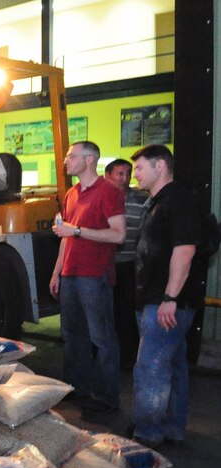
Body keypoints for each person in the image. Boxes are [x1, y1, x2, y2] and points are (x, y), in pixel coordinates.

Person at [129, 145, 202, 448]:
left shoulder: (178, 201)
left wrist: (170, 298)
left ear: (160, 166)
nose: (135, 174)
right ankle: (172, 428)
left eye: (140, 168)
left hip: (166, 303)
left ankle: (147, 434)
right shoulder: (157, 202)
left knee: (152, 367)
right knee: (173, 365)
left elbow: (185, 252)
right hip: (158, 300)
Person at [50, 141, 125, 416]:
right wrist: (57, 271)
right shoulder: (71, 193)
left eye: (71, 156)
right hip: (71, 274)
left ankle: (106, 398)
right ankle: (77, 388)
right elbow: (65, 235)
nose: (66, 160)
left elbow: (118, 234)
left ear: (90, 159)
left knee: (101, 337)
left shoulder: (109, 191)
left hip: (94, 274)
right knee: (73, 336)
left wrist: (78, 231)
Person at [105, 158, 149, 367]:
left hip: (131, 264)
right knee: (106, 311)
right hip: (106, 264)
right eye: (119, 174)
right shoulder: (102, 198)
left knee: (127, 311)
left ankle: (128, 358)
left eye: (127, 174)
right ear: (107, 175)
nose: (124, 178)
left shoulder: (140, 199)